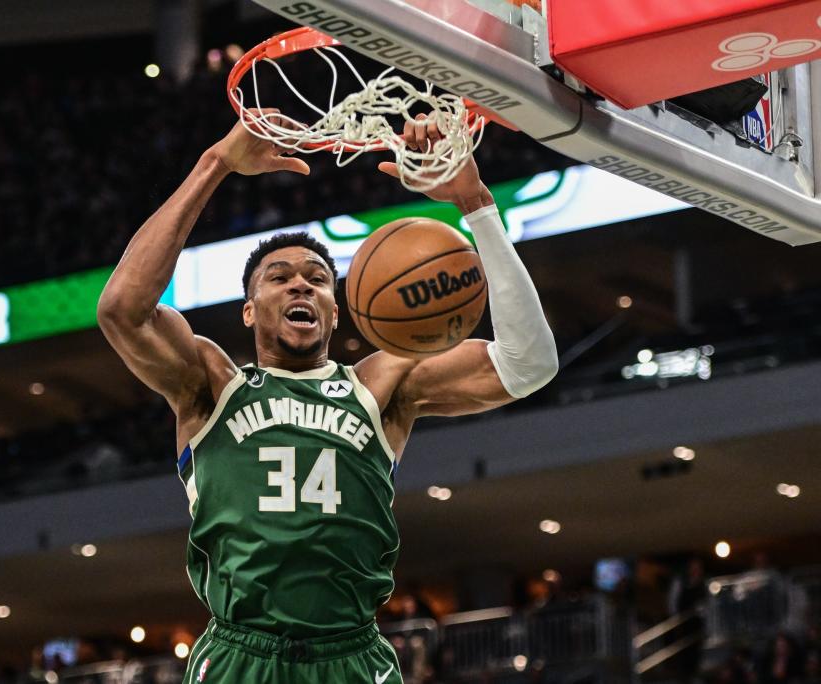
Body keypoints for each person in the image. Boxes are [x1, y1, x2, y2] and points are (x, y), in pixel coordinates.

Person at [97, 110, 558, 684]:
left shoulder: (384, 384)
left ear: (337, 310)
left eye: (317, 278)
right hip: (242, 655)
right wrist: (215, 164)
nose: (299, 283)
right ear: (249, 310)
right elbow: (121, 310)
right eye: (278, 276)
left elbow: (530, 363)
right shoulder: (210, 384)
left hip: (352, 656)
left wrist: (475, 203)